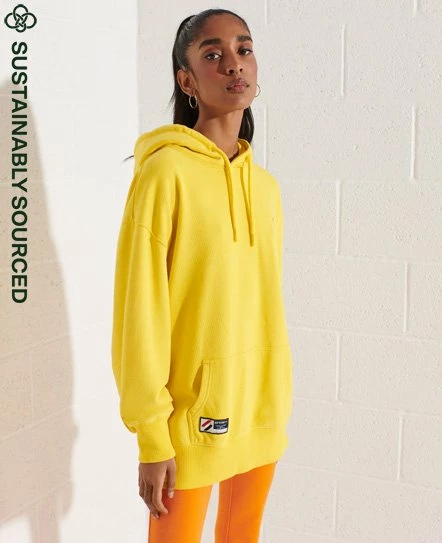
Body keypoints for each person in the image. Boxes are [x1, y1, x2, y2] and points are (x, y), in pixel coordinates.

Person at [111, 8, 293, 543]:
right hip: (191, 420)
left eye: (243, 49)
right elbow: (140, 310)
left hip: (260, 407)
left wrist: (276, 393)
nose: (234, 64)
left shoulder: (266, 188)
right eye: (213, 54)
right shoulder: (165, 173)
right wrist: (152, 435)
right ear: (186, 81)